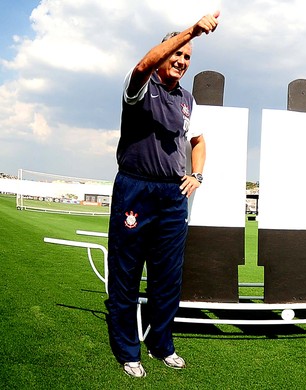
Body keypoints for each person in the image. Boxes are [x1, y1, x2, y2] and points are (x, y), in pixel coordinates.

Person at [105, 12, 219, 378]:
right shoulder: (139, 85)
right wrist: (193, 31)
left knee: (168, 276)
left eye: (188, 57)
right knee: (125, 274)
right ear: (164, 53)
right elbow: (144, 63)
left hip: (172, 196)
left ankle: (162, 344)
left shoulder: (188, 100)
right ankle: (127, 351)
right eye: (178, 54)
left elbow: (198, 141)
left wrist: (196, 174)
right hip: (135, 188)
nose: (182, 61)